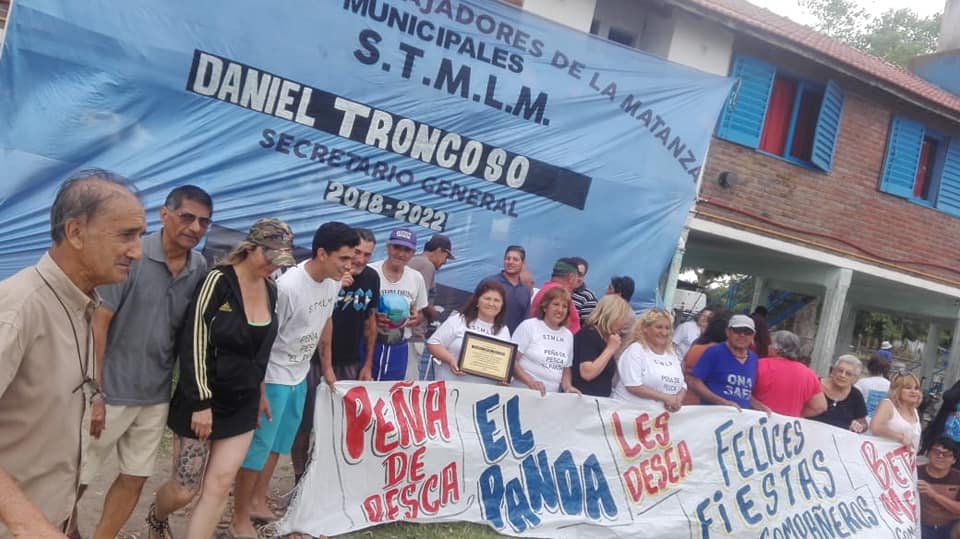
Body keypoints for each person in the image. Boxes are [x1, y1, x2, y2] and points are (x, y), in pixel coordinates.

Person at [0, 170, 145, 537]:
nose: (137, 251)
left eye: (140, 236)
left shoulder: (82, 304)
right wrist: (26, 522)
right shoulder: (19, 309)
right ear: (76, 232)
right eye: (126, 235)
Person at [146, 218, 295, 539]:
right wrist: (201, 402)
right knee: (185, 489)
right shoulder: (218, 281)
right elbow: (194, 340)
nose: (272, 266)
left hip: (244, 403)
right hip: (204, 399)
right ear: (251, 247)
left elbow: (260, 351)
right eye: (268, 256)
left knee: (219, 485)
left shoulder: (271, 290)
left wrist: (260, 392)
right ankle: (157, 516)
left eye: (279, 260)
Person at [78, 185, 211, 539]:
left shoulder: (198, 266)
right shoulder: (132, 255)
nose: (195, 227)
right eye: (187, 217)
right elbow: (99, 322)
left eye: (203, 222)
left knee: (135, 476)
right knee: (78, 475)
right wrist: (95, 391)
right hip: (111, 388)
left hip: (155, 394)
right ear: (164, 215)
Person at [230, 222, 356, 538]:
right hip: (274, 376)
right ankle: (238, 517)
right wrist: (260, 388)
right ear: (322, 253)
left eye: (351, 259)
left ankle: (258, 499)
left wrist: (327, 366)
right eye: (343, 258)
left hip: (299, 374)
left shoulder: (332, 283)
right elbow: (264, 340)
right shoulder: (288, 287)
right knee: (259, 447)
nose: (348, 266)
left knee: (280, 443)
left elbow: (326, 321)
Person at [291, 228, 380, 485]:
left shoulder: (371, 278)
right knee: (303, 425)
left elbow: (370, 322)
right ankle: (298, 480)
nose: (359, 260)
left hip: (349, 362)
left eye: (367, 255)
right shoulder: (329, 276)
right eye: (356, 253)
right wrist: (336, 286)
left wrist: (367, 364)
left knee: (339, 427)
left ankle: (323, 482)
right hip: (312, 361)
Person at [367, 227, 428, 381]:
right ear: (388, 247)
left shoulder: (416, 278)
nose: (401, 254)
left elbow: (419, 312)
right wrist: (373, 318)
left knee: (390, 390)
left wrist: (416, 318)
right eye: (397, 247)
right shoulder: (370, 272)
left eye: (407, 250)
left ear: (413, 253)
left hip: (398, 346)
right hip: (369, 343)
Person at [427, 281, 510, 385]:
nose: (491, 304)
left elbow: (504, 363)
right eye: (487, 298)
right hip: (451, 386)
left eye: (497, 300)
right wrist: (451, 360)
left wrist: (503, 378)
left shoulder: (504, 330)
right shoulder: (459, 320)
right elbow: (433, 344)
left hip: (485, 392)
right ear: (477, 301)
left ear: (502, 305)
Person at [612, 309, 687, 411]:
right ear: (645, 329)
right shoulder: (636, 350)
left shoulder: (671, 354)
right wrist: (666, 398)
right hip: (630, 413)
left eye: (667, 328)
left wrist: (677, 400)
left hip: (660, 416)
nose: (664, 332)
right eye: (659, 327)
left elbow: (682, 384)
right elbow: (633, 385)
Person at [688, 314, 762, 411]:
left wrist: (759, 406)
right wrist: (722, 402)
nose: (742, 335)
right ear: (728, 332)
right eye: (737, 331)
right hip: (713, 415)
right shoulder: (714, 352)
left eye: (747, 332)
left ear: (753, 335)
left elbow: (742, 392)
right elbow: (694, 382)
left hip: (739, 418)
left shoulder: (753, 358)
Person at [512, 286, 578, 395]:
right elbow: (511, 360)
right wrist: (530, 382)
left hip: (550, 400)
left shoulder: (568, 336)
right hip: (522, 394)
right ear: (545, 307)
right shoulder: (529, 326)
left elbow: (566, 369)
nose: (560, 310)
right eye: (556, 304)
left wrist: (568, 387)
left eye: (565, 306)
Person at [407, 234, 455, 380]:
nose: (445, 261)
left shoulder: (414, 260)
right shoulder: (427, 265)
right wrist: (435, 315)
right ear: (439, 251)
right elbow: (421, 302)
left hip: (403, 330)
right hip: (412, 333)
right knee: (407, 381)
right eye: (446, 256)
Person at [752, 330, 827, 417]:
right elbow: (820, 406)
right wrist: (796, 416)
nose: (768, 347)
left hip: (758, 421)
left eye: (770, 344)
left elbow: (743, 394)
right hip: (789, 423)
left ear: (776, 349)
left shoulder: (758, 365)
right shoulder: (809, 374)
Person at [571, 295, 632, 397]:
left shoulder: (605, 338)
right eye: (622, 318)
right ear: (612, 316)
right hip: (583, 399)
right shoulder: (589, 334)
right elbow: (587, 373)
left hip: (600, 400)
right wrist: (610, 349)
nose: (624, 323)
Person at [809, 354, 868, 433]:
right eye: (840, 370)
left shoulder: (856, 395)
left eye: (848, 374)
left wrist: (858, 426)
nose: (842, 375)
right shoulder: (816, 384)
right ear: (833, 371)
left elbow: (863, 423)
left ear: (855, 379)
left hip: (838, 439)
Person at [481, 245, 532, 334]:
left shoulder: (525, 291)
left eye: (515, 259)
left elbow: (525, 322)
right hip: (486, 336)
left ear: (523, 264)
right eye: (508, 258)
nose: (510, 262)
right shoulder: (489, 283)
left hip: (511, 340)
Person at [681, 312, 730, 405]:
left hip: (685, 399)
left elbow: (683, 369)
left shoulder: (696, 347)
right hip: (705, 404)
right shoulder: (719, 353)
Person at [917, 437, 960, 539]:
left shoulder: (958, 478)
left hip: (951, 526)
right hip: (922, 526)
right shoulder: (916, 473)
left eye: (946, 454)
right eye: (936, 451)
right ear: (928, 454)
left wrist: (934, 495)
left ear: (954, 460)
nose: (940, 456)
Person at [870, 372, 922, 451]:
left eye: (916, 388)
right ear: (898, 390)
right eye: (908, 388)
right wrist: (901, 438)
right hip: (885, 454)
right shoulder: (887, 404)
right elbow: (875, 427)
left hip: (908, 457)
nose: (913, 391)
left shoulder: (914, 411)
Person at [529, 258, 582, 334]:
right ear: (571, 277)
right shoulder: (560, 294)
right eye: (577, 278)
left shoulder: (545, 289)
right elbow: (574, 326)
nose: (578, 281)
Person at [855, 354, 892, 421]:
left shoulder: (862, 382)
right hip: (882, 422)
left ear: (869, 368)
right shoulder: (890, 385)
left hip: (861, 421)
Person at [570, 257, 599, 321]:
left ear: (584, 276)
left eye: (580, 275)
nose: (576, 277)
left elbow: (586, 325)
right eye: (573, 273)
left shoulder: (589, 297)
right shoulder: (555, 289)